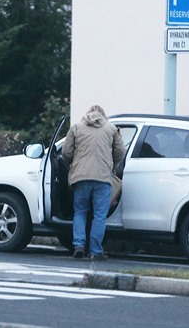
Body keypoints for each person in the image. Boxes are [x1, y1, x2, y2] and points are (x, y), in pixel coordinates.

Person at [62, 105, 126, 260]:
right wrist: (113, 165)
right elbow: (121, 152)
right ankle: (96, 251)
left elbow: (66, 152)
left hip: (81, 177)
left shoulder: (76, 128)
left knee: (80, 212)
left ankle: (79, 245)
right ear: (103, 115)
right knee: (99, 216)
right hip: (103, 178)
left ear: (88, 114)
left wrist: (73, 164)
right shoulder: (111, 129)